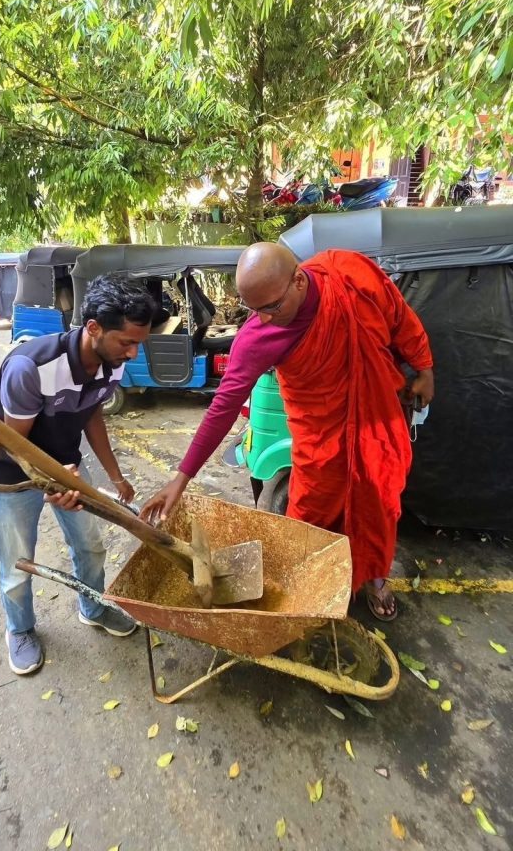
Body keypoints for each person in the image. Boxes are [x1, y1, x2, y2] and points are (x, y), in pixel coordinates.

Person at [141, 243, 434, 620]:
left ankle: (375, 577)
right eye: (253, 310)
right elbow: (223, 407)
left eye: (270, 308)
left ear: (298, 280)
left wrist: (424, 368)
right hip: (319, 438)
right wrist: (180, 478)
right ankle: (309, 587)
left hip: (375, 422)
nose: (261, 319)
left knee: (378, 506)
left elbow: (399, 317)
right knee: (309, 512)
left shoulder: (348, 274)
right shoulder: (258, 336)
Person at [0, 273, 156, 675]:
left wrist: (115, 474)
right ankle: (19, 630)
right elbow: (15, 446)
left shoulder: (111, 363)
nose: (132, 354)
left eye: (138, 344)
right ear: (93, 328)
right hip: (12, 472)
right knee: (16, 560)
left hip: (66, 462)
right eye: (126, 342)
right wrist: (53, 483)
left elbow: (92, 410)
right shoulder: (31, 368)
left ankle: (91, 607)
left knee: (90, 545)